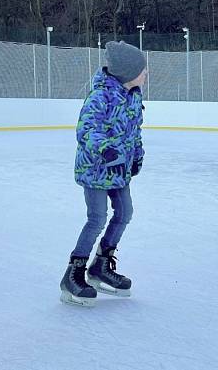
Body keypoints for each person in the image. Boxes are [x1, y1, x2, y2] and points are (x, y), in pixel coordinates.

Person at [60, 41, 146, 307]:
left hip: (119, 169)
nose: (146, 74)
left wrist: (138, 154)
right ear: (127, 71)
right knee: (96, 218)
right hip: (97, 168)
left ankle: (100, 266)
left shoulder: (134, 95)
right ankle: (73, 274)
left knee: (125, 213)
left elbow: (135, 131)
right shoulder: (101, 96)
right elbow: (86, 130)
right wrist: (106, 150)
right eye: (142, 70)